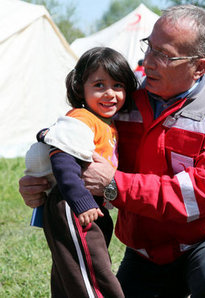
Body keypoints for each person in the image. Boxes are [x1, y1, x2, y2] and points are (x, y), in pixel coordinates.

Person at [19, 5, 205, 297]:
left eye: (163, 55)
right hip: (148, 252)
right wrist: (43, 181)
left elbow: (203, 191)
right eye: (149, 47)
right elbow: (74, 138)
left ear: (199, 67)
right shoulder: (123, 99)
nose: (147, 61)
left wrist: (114, 183)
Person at [24, 47, 138, 297]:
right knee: (93, 273)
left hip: (87, 204)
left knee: (73, 272)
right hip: (73, 203)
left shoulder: (104, 122)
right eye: (99, 85)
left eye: (118, 85)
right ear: (80, 89)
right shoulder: (82, 118)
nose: (110, 93)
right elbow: (62, 158)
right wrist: (80, 201)